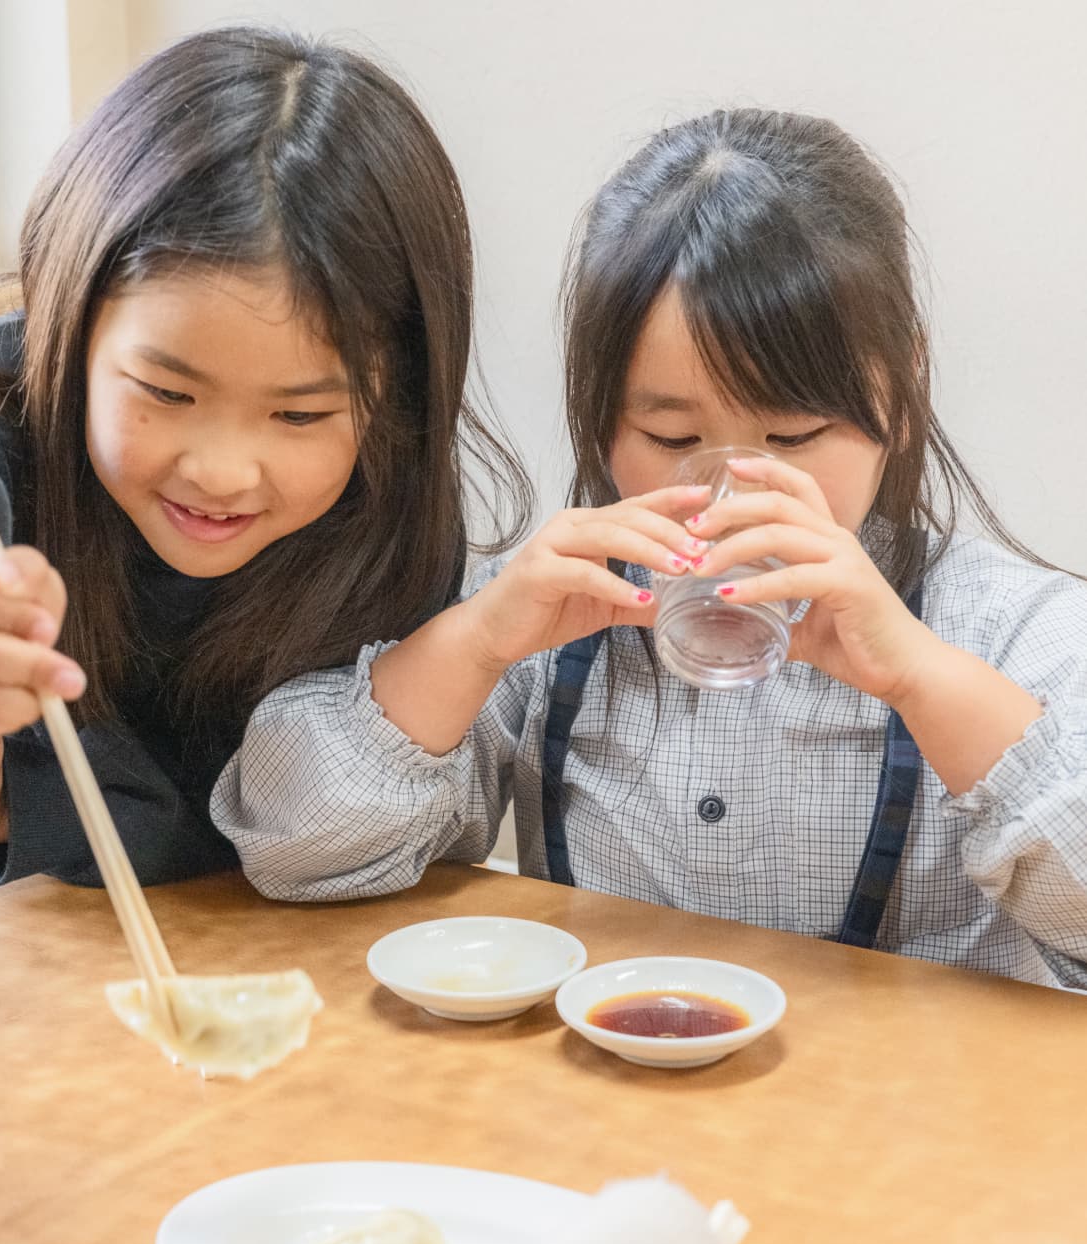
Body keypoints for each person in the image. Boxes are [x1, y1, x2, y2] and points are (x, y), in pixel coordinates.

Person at [213, 108, 1087, 988]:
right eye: (672, 438)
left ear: (901, 390)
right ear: (600, 419)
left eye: (795, 435)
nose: (736, 491)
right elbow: (292, 847)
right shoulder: (550, 617)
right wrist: (476, 643)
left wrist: (921, 678)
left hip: (908, 1119)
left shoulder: (1009, 628)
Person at [0, 27, 526, 887]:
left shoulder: (386, 523)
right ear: (72, 321)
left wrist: (19, 807)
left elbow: (300, 837)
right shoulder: (3, 408)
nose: (222, 471)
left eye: (300, 412)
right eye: (167, 394)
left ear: (396, 393)